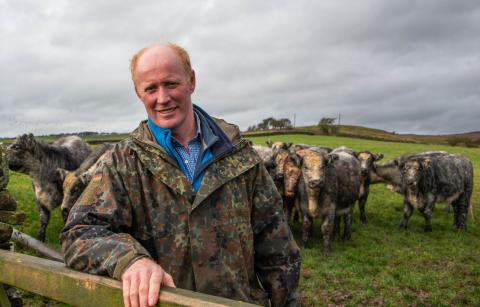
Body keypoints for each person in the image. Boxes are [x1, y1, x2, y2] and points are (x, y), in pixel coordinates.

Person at [61, 43, 300, 307]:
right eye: (151, 88)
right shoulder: (123, 162)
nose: (162, 98)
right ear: (138, 92)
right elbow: (79, 233)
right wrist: (130, 260)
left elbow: (278, 250)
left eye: (171, 83)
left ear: (192, 81)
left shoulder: (239, 155)